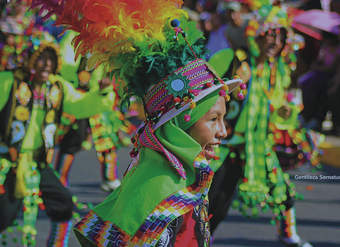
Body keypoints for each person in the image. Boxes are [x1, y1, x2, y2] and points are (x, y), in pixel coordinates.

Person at [29, 0, 242, 246]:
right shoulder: (162, 188)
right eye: (213, 119)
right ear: (179, 126)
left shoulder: (183, 174)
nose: (223, 131)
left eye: (222, 119)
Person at [208, 2, 317, 247]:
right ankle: (201, 238)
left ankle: (288, 234)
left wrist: (283, 111)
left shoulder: (276, 69)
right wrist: (233, 84)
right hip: (227, 145)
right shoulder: (237, 60)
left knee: (283, 191)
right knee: (215, 200)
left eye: (280, 37)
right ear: (256, 35)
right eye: (269, 35)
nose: (274, 43)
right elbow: (211, 96)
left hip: (258, 144)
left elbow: (277, 112)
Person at [0, 33, 115, 246]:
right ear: (29, 59)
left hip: (36, 164)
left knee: (63, 205)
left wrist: (102, 92)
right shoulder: (9, 82)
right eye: (41, 58)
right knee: (5, 215)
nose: (46, 64)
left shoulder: (57, 87)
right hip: (7, 163)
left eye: (51, 59)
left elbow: (81, 105)